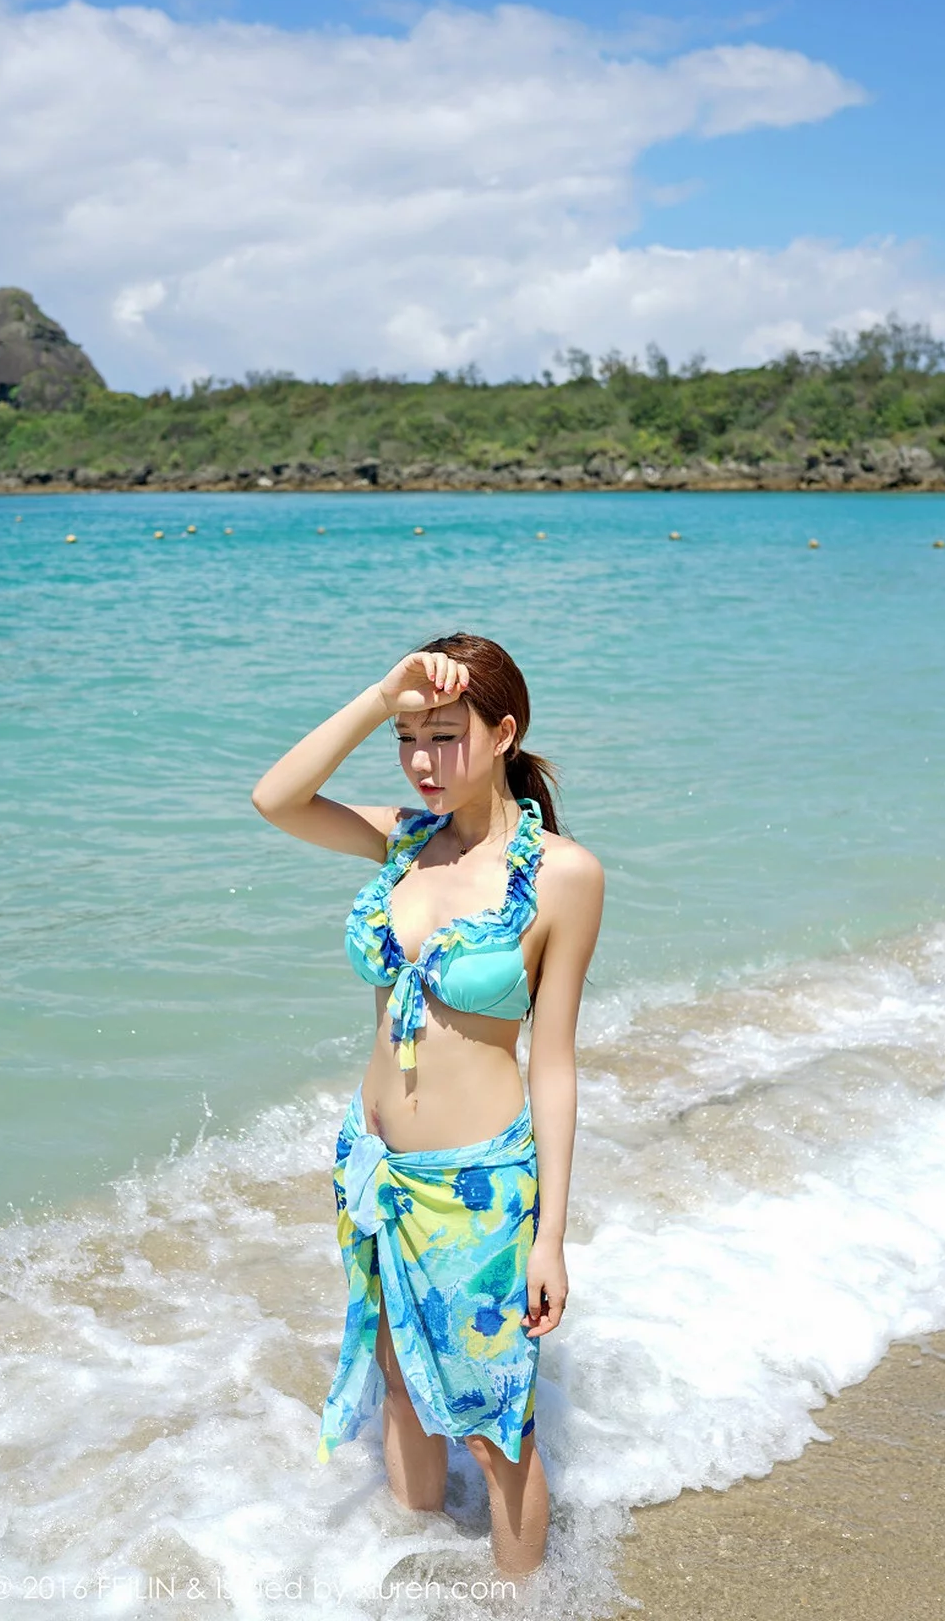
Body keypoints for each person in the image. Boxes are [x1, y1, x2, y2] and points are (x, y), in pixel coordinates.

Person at [251, 632, 604, 1577]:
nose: (421, 762)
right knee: (400, 1381)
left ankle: (527, 1601)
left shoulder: (563, 876)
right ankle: (405, 1576)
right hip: (374, 1166)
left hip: (478, 1189)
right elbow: (275, 799)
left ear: (504, 734)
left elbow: (554, 1065)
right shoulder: (402, 839)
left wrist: (551, 1237)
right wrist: (382, 695)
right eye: (408, 740)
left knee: (496, 1430)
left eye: (445, 737)